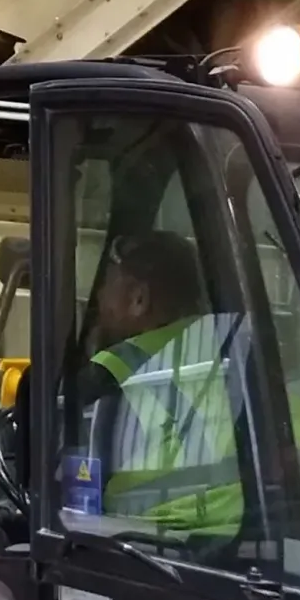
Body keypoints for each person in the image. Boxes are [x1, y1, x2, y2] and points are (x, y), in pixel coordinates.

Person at [80, 231, 249, 543]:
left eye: (106, 287)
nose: (99, 301)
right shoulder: (240, 352)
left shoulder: (121, 368)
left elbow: (70, 490)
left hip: (159, 546)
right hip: (243, 547)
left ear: (138, 299)